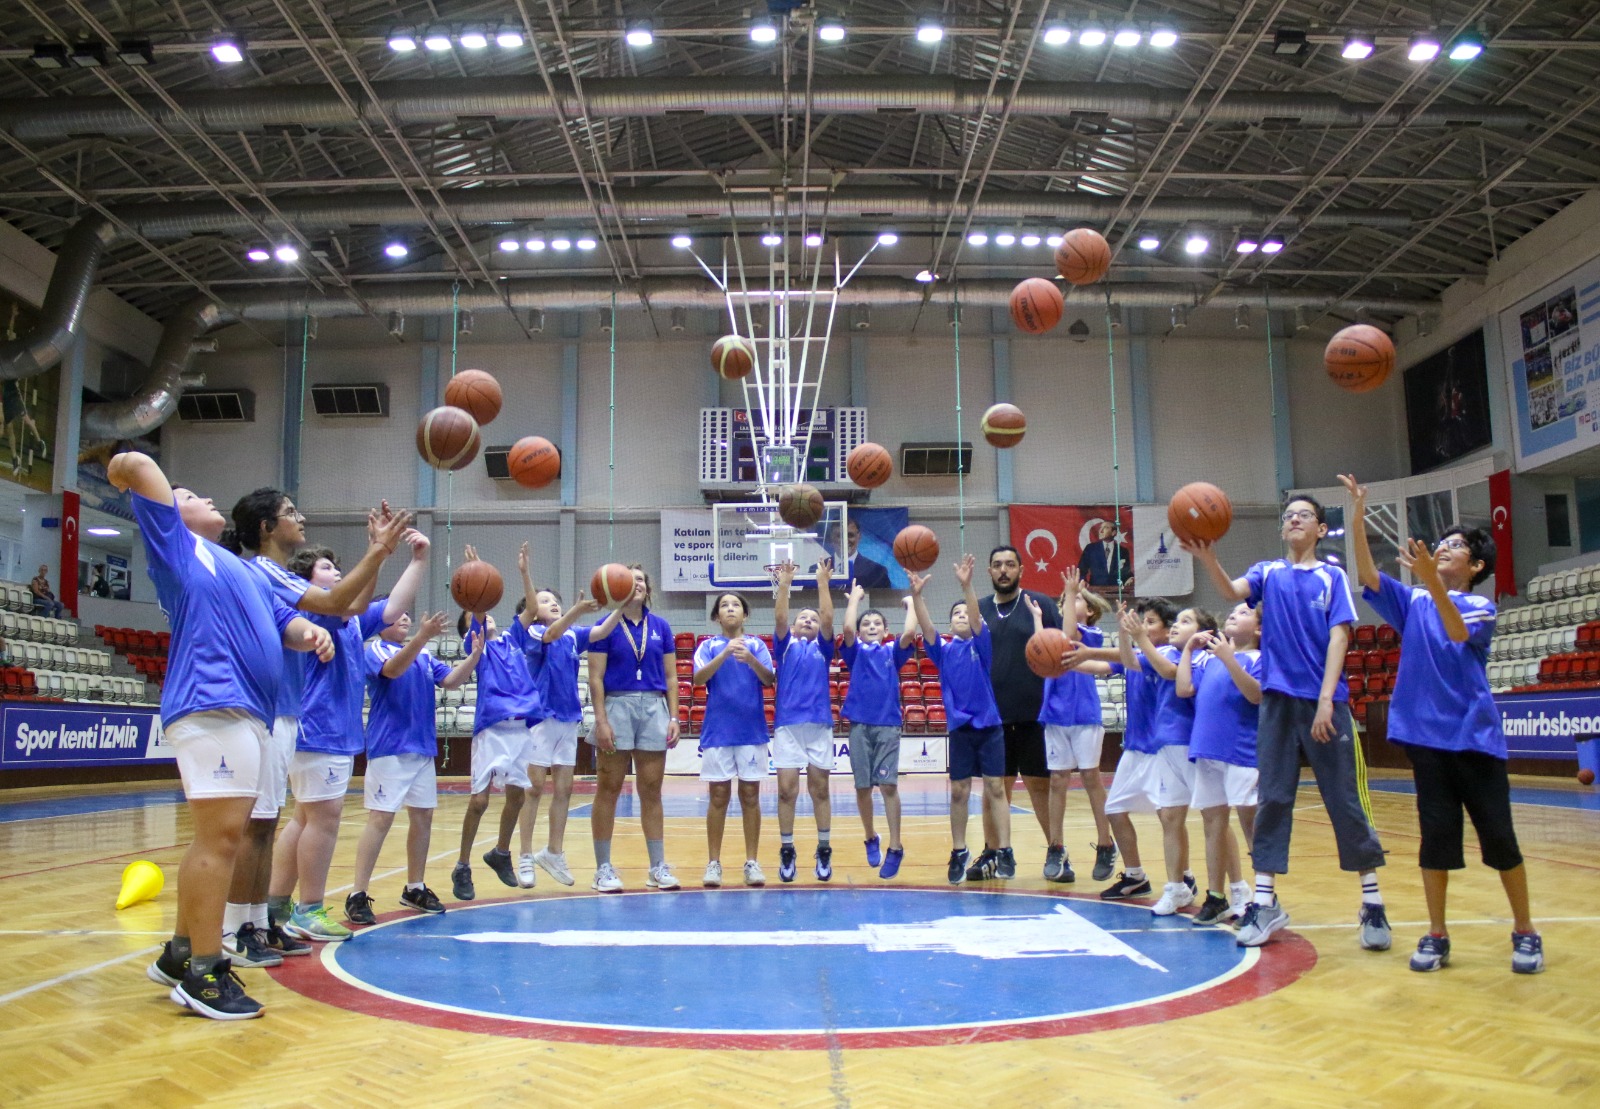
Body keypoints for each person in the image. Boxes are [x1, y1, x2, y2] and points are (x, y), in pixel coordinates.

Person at [113, 450, 333, 1020]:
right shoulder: (177, 546)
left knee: (222, 838)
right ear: (171, 514)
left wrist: (312, 635)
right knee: (220, 842)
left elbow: (286, 625)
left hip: (248, 715)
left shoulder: (234, 565)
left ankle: (181, 952)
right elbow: (136, 463)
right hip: (213, 704)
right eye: (190, 497)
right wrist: (121, 471)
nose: (205, 500)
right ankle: (206, 974)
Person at [1342, 474, 1542, 974]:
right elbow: (1367, 575)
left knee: (1500, 840)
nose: (1445, 549)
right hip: (1426, 743)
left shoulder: (1479, 605)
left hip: (1474, 740)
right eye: (1443, 545)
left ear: (1475, 567)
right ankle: (1437, 933)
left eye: (1455, 547)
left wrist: (1429, 578)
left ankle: (1526, 930)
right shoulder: (1413, 601)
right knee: (1436, 842)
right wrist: (1358, 517)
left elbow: (1454, 633)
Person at [1186, 494, 1390, 950]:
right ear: (1283, 530)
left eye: (1305, 516)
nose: (1295, 520)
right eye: (1289, 516)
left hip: (1324, 704)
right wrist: (1209, 558)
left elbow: (1340, 638)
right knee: (1272, 800)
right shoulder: (1268, 573)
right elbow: (1230, 591)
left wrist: (1324, 700)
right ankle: (1264, 902)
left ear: (1320, 530)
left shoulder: (1332, 575)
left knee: (1344, 801)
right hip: (1277, 704)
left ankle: (1372, 901)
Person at [227, 488, 411, 965]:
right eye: (290, 513)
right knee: (269, 826)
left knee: (278, 823)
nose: (301, 517)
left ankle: (265, 918)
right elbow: (336, 602)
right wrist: (380, 549)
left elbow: (346, 606)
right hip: (297, 719)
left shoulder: (318, 605)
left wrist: (312, 635)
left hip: (295, 716)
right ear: (267, 528)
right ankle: (253, 924)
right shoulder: (266, 573)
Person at [274, 534, 427, 942]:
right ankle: (308, 909)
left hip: (328, 729)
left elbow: (394, 607)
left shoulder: (350, 618)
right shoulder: (316, 611)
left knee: (304, 817)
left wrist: (418, 560)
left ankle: (276, 904)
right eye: (326, 568)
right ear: (308, 582)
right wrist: (377, 551)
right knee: (322, 819)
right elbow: (353, 598)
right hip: (319, 727)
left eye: (337, 568)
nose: (337, 573)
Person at [345, 610, 481, 924]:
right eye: (398, 616)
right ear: (381, 624)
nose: (405, 619)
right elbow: (392, 671)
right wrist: (423, 636)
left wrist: (475, 655)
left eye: (408, 615)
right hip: (390, 746)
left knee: (423, 816)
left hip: (421, 746)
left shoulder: (421, 655)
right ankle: (357, 893)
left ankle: (414, 887)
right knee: (380, 818)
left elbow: (449, 680)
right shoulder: (376, 650)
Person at [514, 543, 621, 888]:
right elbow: (551, 631)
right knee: (533, 788)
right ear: (533, 609)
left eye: (554, 600)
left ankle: (554, 851)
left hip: (567, 717)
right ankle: (525, 855)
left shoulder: (573, 636)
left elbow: (602, 631)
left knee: (564, 788)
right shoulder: (534, 632)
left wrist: (620, 604)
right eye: (544, 601)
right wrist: (575, 609)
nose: (552, 603)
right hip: (540, 718)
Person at [450, 546, 544, 900]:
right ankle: (462, 865)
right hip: (492, 728)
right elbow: (476, 604)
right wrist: (473, 569)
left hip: (521, 728)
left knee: (518, 796)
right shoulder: (475, 644)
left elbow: (532, 609)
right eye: (480, 616)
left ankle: (501, 852)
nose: (488, 618)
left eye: (489, 616)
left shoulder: (511, 639)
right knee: (479, 802)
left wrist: (523, 571)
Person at [914, 555, 1010, 884]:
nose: (961, 617)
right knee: (959, 791)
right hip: (960, 730)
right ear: (950, 622)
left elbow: (976, 615)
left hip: (989, 727)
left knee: (996, 788)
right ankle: (958, 850)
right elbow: (926, 628)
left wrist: (967, 586)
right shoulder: (943, 649)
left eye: (965, 613)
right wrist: (917, 597)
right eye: (955, 614)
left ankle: (1005, 850)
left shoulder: (981, 644)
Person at [587, 564, 682, 892]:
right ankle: (603, 868)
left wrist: (674, 716)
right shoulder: (604, 626)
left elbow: (671, 677)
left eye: (641, 580)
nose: (636, 584)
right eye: (630, 580)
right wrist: (601, 720)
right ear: (619, 587)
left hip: (654, 706)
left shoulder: (661, 626)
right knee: (609, 787)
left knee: (652, 790)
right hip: (617, 705)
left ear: (647, 589)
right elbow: (595, 678)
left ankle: (657, 867)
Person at [973, 545, 1061, 880]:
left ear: (1021, 569)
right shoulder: (978, 609)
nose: (1004, 570)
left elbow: (1060, 646)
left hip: (1036, 712)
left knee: (1040, 786)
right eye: (997, 565)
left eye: (1010, 564)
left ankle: (1056, 850)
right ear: (989, 571)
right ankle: (991, 852)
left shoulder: (1040, 604)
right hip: (992, 715)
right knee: (996, 788)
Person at [1177, 602, 1262, 926]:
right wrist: (1188, 649)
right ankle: (1216, 896)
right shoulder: (1209, 660)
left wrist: (1229, 659)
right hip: (1208, 752)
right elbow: (1184, 688)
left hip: (1241, 753)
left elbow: (1255, 696)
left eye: (1243, 613)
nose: (1233, 614)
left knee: (1252, 827)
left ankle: (1265, 897)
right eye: (1232, 612)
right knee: (1213, 826)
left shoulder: (1258, 658)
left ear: (1258, 629)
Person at [1031, 569, 1117, 884]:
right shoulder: (1057, 633)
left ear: (1091, 611)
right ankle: (1056, 846)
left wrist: (1068, 593)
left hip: (1083, 714)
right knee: (1057, 781)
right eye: (1068, 598)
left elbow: (1067, 638)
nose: (1070, 599)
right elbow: (1045, 644)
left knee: (1091, 778)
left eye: (1078, 598)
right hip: (1054, 714)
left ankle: (1106, 843)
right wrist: (1039, 620)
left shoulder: (1090, 636)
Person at [693, 591, 775, 887]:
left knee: (751, 796)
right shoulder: (707, 646)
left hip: (751, 731)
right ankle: (714, 862)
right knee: (718, 797)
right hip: (718, 731)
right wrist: (725, 654)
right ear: (716, 616)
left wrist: (750, 658)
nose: (730, 609)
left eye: (736, 605)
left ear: (745, 615)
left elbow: (769, 679)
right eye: (724, 605)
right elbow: (698, 679)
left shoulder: (757, 645)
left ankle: (752, 862)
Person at [840, 581, 917, 874]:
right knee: (863, 788)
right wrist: (855, 600)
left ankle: (895, 846)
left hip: (887, 725)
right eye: (866, 623)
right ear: (860, 631)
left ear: (886, 631)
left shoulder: (892, 653)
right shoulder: (855, 652)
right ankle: (870, 837)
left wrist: (910, 605)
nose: (871, 626)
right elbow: (846, 629)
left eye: (877, 623)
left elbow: (910, 633)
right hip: (860, 725)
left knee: (888, 785)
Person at [771, 557, 840, 882]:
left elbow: (828, 617)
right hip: (787, 726)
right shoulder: (784, 647)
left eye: (812, 618)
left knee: (820, 790)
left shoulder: (823, 650)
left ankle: (823, 848)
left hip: (818, 726)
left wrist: (823, 582)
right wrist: (785, 583)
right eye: (804, 617)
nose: (809, 620)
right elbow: (781, 616)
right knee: (786, 791)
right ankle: (787, 849)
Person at [824, 517, 891, 589]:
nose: (845, 541)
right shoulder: (817, 570)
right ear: (831, 537)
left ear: (859, 536)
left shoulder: (877, 572)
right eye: (840, 536)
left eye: (850, 535)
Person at [1077, 521, 1132, 589]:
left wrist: (1130, 579)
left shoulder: (1122, 551)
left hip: (1116, 591)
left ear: (1113, 532)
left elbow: (1126, 572)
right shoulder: (1091, 549)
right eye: (1100, 527)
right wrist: (1083, 581)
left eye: (1105, 527)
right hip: (1095, 591)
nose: (1101, 530)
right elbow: (1081, 570)